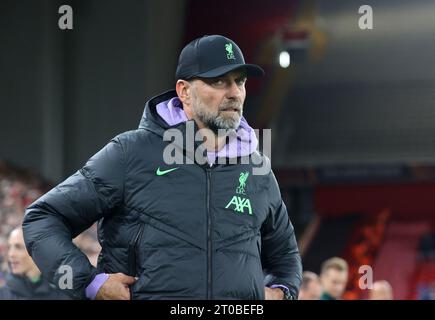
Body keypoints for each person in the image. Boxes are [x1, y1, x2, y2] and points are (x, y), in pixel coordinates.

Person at [23, 34, 302, 300]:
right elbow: (43, 219)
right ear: (184, 91)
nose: (234, 93)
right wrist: (89, 283)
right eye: (219, 82)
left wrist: (281, 291)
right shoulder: (130, 153)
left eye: (239, 82)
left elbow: (286, 257)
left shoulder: (257, 168)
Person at [0, 227, 69, 299]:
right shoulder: (3, 295)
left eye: (18, 247)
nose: (11, 254)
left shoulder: (61, 294)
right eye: (9, 247)